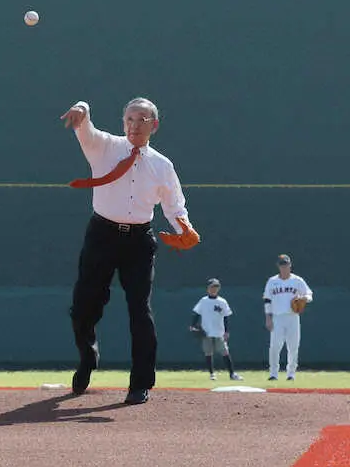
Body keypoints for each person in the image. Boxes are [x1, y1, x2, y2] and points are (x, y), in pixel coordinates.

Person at [61, 98, 200, 405]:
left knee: (140, 310)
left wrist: (185, 229)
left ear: (154, 125)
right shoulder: (105, 147)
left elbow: (175, 205)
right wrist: (83, 108)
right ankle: (87, 357)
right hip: (101, 235)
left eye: (142, 119)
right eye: (130, 119)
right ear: (123, 122)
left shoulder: (162, 165)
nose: (134, 125)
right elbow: (86, 130)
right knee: (83, 307)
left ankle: (140, 384)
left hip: (139, 241)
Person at [263, 254, 313, 381]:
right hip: (277, 317)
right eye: (282, 265)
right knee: (275, 346)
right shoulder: (272, 281)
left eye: (286, 264)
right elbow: (267, 300)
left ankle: (291, 374)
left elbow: (309, 294)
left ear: (290, 265)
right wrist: (268, 318)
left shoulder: (297, 280)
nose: (284, 267)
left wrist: (304, 298)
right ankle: (273, 373)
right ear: (278, 266)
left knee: (293, 346)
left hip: (293, 317)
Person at [189, 278, 243, 381]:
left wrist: (227, 331)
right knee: (208, 353)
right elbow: (197, 313)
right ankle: (212, 374)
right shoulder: (203, 301)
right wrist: (193, 325)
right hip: (206, 331)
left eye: (216, 287)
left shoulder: (222, 301)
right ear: (208, 288)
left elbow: (226, 317)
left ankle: (232, 374)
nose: (214, 289)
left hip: (219, 332)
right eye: (212, 287)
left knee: (225, 352)